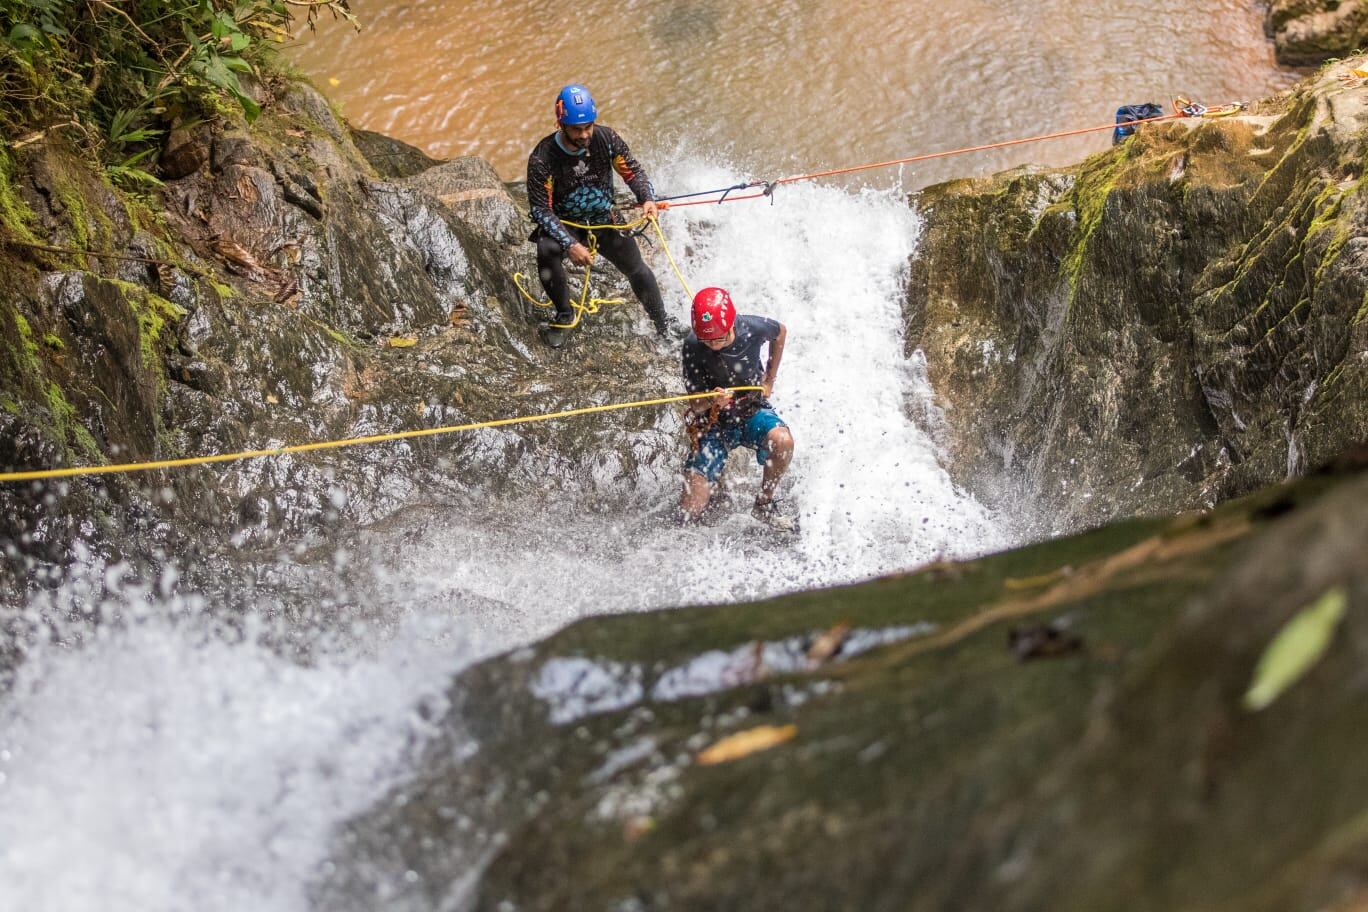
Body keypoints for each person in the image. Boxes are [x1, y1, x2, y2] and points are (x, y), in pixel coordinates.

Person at [526, 84, 674, 346]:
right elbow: (540, 209)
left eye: (588, 127)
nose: (584, 135)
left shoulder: (607, 139)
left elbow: (633, 172)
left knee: (636, 268)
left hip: (604, 217)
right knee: (546, 248)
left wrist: (647, 198)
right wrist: (570, 244)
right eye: (576, 129)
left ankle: (663, 323)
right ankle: (564, 314)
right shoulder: (543, 158)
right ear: (561, 124)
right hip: (566, 223)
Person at [679, 286, 795, 524]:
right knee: (689, 512)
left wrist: (769, 380)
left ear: (731, 324)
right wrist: (712, 399)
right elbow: (696, 404)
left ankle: (764, 502)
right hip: (713, 424)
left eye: (720, 339)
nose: (714, 345)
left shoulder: (751, 328)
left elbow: (781, 332)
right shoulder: (693, 345)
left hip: (751, 411)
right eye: (707, 340)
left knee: (783, 440)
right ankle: (711, 483)